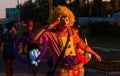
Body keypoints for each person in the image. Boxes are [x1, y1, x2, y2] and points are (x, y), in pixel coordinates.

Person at [30, 5, 102, 76]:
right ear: (56, 21)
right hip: (61, 70)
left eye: (66, 20)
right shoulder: (50, 34)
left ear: (70, 21)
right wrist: (46, 27)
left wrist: (95, 54)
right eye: (61, 20)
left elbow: (83, 45)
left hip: (75, 69)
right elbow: (32, 39)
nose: (64, 22)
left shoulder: (72, 32)